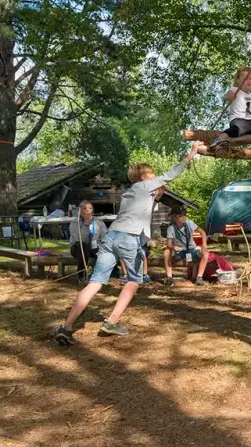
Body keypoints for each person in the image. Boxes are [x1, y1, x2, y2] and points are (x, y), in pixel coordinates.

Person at [53, 142, 201, 345]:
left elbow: (142, 211)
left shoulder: (130, 193)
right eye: (151, 174)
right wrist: (191, 154)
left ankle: (66, 327)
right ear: (143, 177)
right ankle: (112, 322)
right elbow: (171, 174)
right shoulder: (145, 185)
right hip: (128, 239)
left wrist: (157, 198)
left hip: (112, 236)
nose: (154, 177)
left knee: (95, 282)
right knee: (134, 280)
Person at [163, 208, 209, 286]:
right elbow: (169, 245)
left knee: (205, 252)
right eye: (181, 216)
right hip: (179, 252)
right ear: (174, 217)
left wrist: (204, 245)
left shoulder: (189, 223)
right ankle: (169, 278)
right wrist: (173, 248)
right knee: (166, 252)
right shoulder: (171, 229)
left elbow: (203, 232)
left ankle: (199, 278)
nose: (184, 217)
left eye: (184, 215)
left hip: (191, 250)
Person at [68, 201, 108, 284]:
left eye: (90, 208)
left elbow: (105, 236)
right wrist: (86, 225)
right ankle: (82, 276)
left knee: (103, 252)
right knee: (83, 246)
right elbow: (78, 239)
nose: (87, 210)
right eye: (84, 208)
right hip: (78, 248)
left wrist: (103, 245)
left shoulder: (98, 222)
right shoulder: (75, 222)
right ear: (80, 210)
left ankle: (96, 277)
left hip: (94, 247)